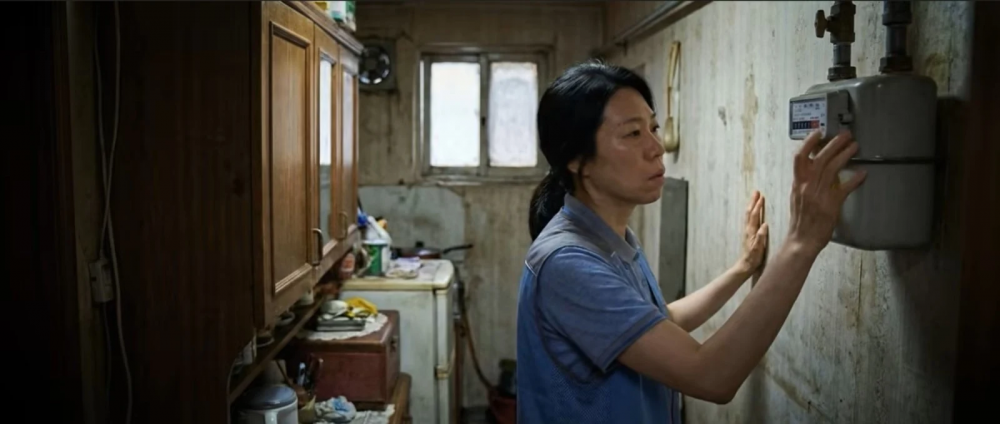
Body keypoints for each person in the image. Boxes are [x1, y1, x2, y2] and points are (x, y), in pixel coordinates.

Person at [515, 61, 866, 423]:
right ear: (577, 159)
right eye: (632, 134)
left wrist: (743, 268)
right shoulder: (567, 263)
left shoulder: (611, 238)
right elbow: (711, 377)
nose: (656, 147)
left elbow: (660, 322)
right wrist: (801, 242)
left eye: (653, 127)